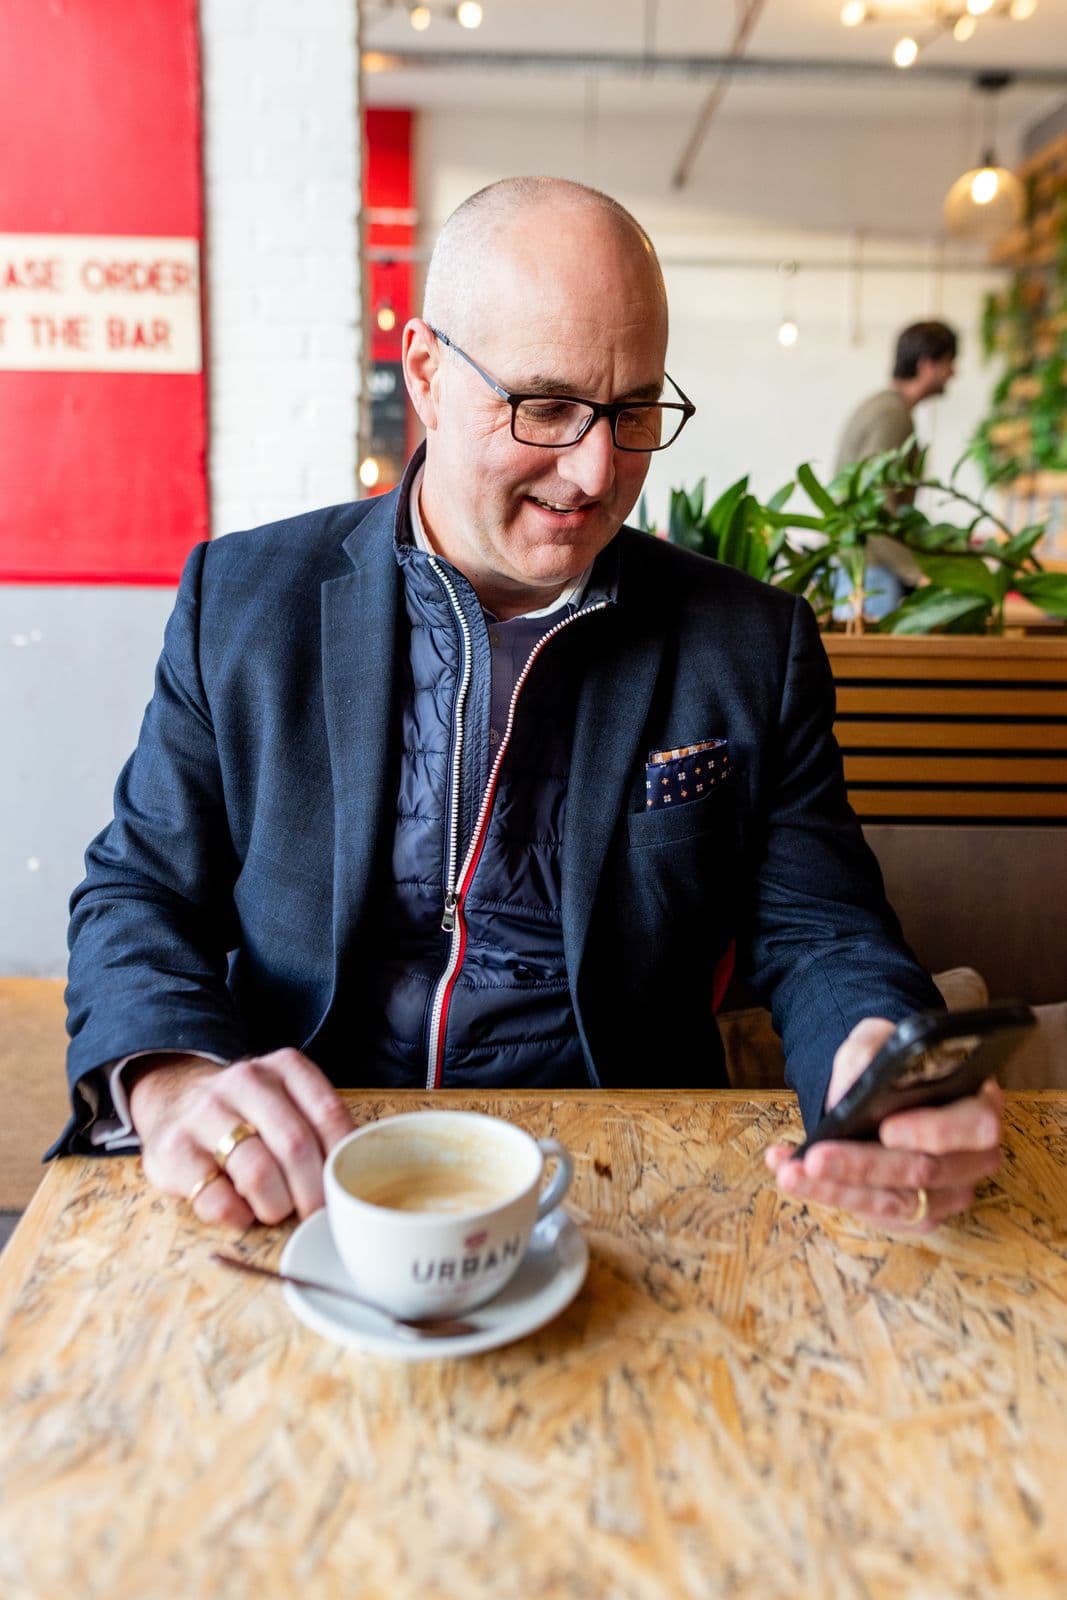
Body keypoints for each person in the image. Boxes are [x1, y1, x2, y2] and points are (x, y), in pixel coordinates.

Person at [55, 179, 1001, 1236]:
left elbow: (821, 931)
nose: (595, 472)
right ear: (425, 374)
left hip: (625, 1181)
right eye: (544, 406)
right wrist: (176, 1079)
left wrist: (874, 1057)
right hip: (299, 1172)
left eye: (633, 411)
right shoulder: (244, 600)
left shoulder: (745, 645)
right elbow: (140, 890)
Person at [833, 319, 958, 619]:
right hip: (873, 572)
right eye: (948, 362)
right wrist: (916, 573)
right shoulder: (893, 415)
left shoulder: (881, 407)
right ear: (927, 365)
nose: (953, 373)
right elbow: (874, 501)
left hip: (866, 567)